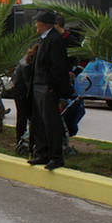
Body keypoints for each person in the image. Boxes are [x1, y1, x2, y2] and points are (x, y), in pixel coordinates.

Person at [28, 10, 71, 171]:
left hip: (47, 87)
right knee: (38, 121)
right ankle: (42, 153)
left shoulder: (55, 39)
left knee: (51, 123)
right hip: (38, 85)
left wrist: (51, 86)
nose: (36, 25)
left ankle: (55, 157)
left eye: (37, 22)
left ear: (44, 24)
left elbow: (58, 66)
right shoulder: (44, 39)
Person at [10, 44, 37, 155]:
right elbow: (28, 83)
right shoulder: (27, 65)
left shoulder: (25, 60)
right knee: (25, 116)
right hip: (22, 93)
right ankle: (22, 141)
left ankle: (22, 139)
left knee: (22, 116)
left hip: (19, 92)